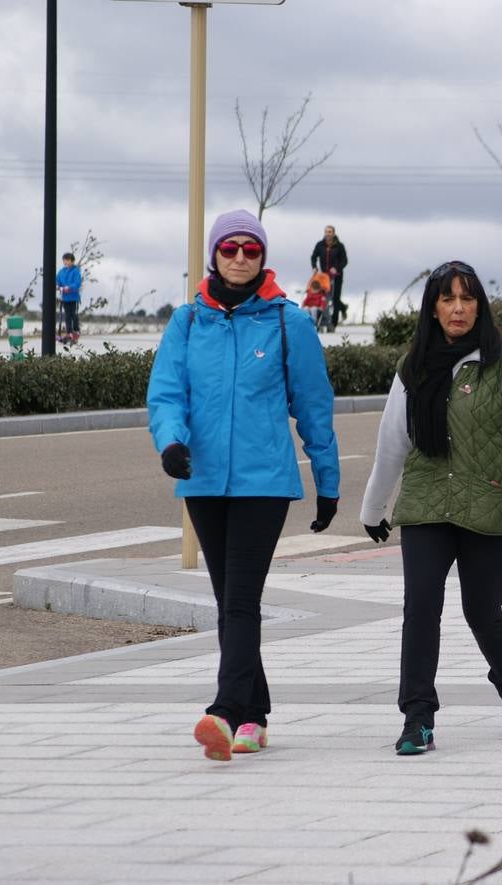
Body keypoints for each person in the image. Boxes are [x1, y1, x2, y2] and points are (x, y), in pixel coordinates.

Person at [147, 209, 341, 762]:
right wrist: (171, 443)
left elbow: (313, 407)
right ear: (214, 255)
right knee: (227, 599)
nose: (238, 258)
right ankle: (255, 712)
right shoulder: (186, 322)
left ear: (262, 256)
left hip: (264, 482)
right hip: (202, 479)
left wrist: (327, 481)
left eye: (249, 249)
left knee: (239, 600)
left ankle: (225, 711)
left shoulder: (288, 322)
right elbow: (166, 394)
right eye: (229, 248)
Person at [359, 260, 502, 755]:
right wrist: (373, 508)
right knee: (421, 607)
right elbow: (392, 443)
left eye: (467, 298)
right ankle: (417, 717)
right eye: (447, 299)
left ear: (479, 305)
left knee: (481, 610)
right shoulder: (414, 367)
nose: (457, 308)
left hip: (490, 502)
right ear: (432, 307)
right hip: (427, 503)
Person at [310, 224, 349, 331]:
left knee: (335, 298)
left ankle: (333, 323)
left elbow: (344, 261)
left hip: (337, 276)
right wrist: (314, 267)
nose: (328, 234)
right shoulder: (320, 245)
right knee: (325, 298)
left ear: (333, 233)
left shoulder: (339, 246)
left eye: (330, 232)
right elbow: (313, 257)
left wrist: (336, 268)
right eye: (326, 231)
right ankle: (342, 308)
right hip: (324, 277)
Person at [55, 252, 82, 345]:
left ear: (72, 261)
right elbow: (57, 280)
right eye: (64, 260)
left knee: (73, 314)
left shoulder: (75, 271)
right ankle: (69, 332)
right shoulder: (61, 271)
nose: (66, 262)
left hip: (73, 297)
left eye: (68, 260)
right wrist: (58, 286)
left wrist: (68, 288)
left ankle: (76, 331)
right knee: (67, 316)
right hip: (65, 298)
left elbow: (77, 283)